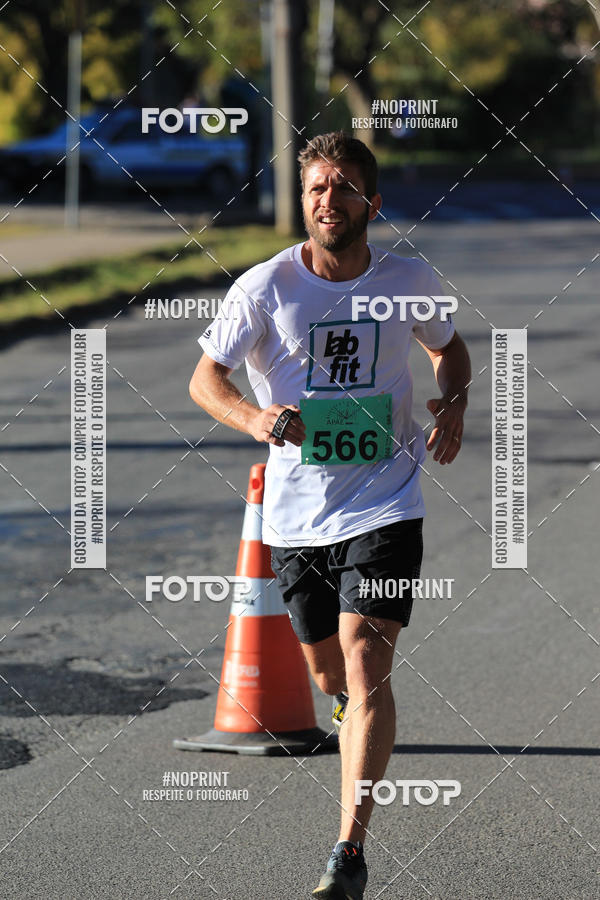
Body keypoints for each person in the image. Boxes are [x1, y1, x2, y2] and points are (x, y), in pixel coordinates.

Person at [189, 131, 471, 900]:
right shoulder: (266, 287)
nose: (328, 198)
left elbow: (451, 349)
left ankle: (349, 852)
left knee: (365, 655)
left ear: (371, 204)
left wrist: (456, 399)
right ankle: (350, 715)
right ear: (303, 200)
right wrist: (254, 420)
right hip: (297, 513)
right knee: (327, 671)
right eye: (317, 186)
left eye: (344, 186)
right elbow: (205, 380)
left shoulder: (408, 277)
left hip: (387, 496)